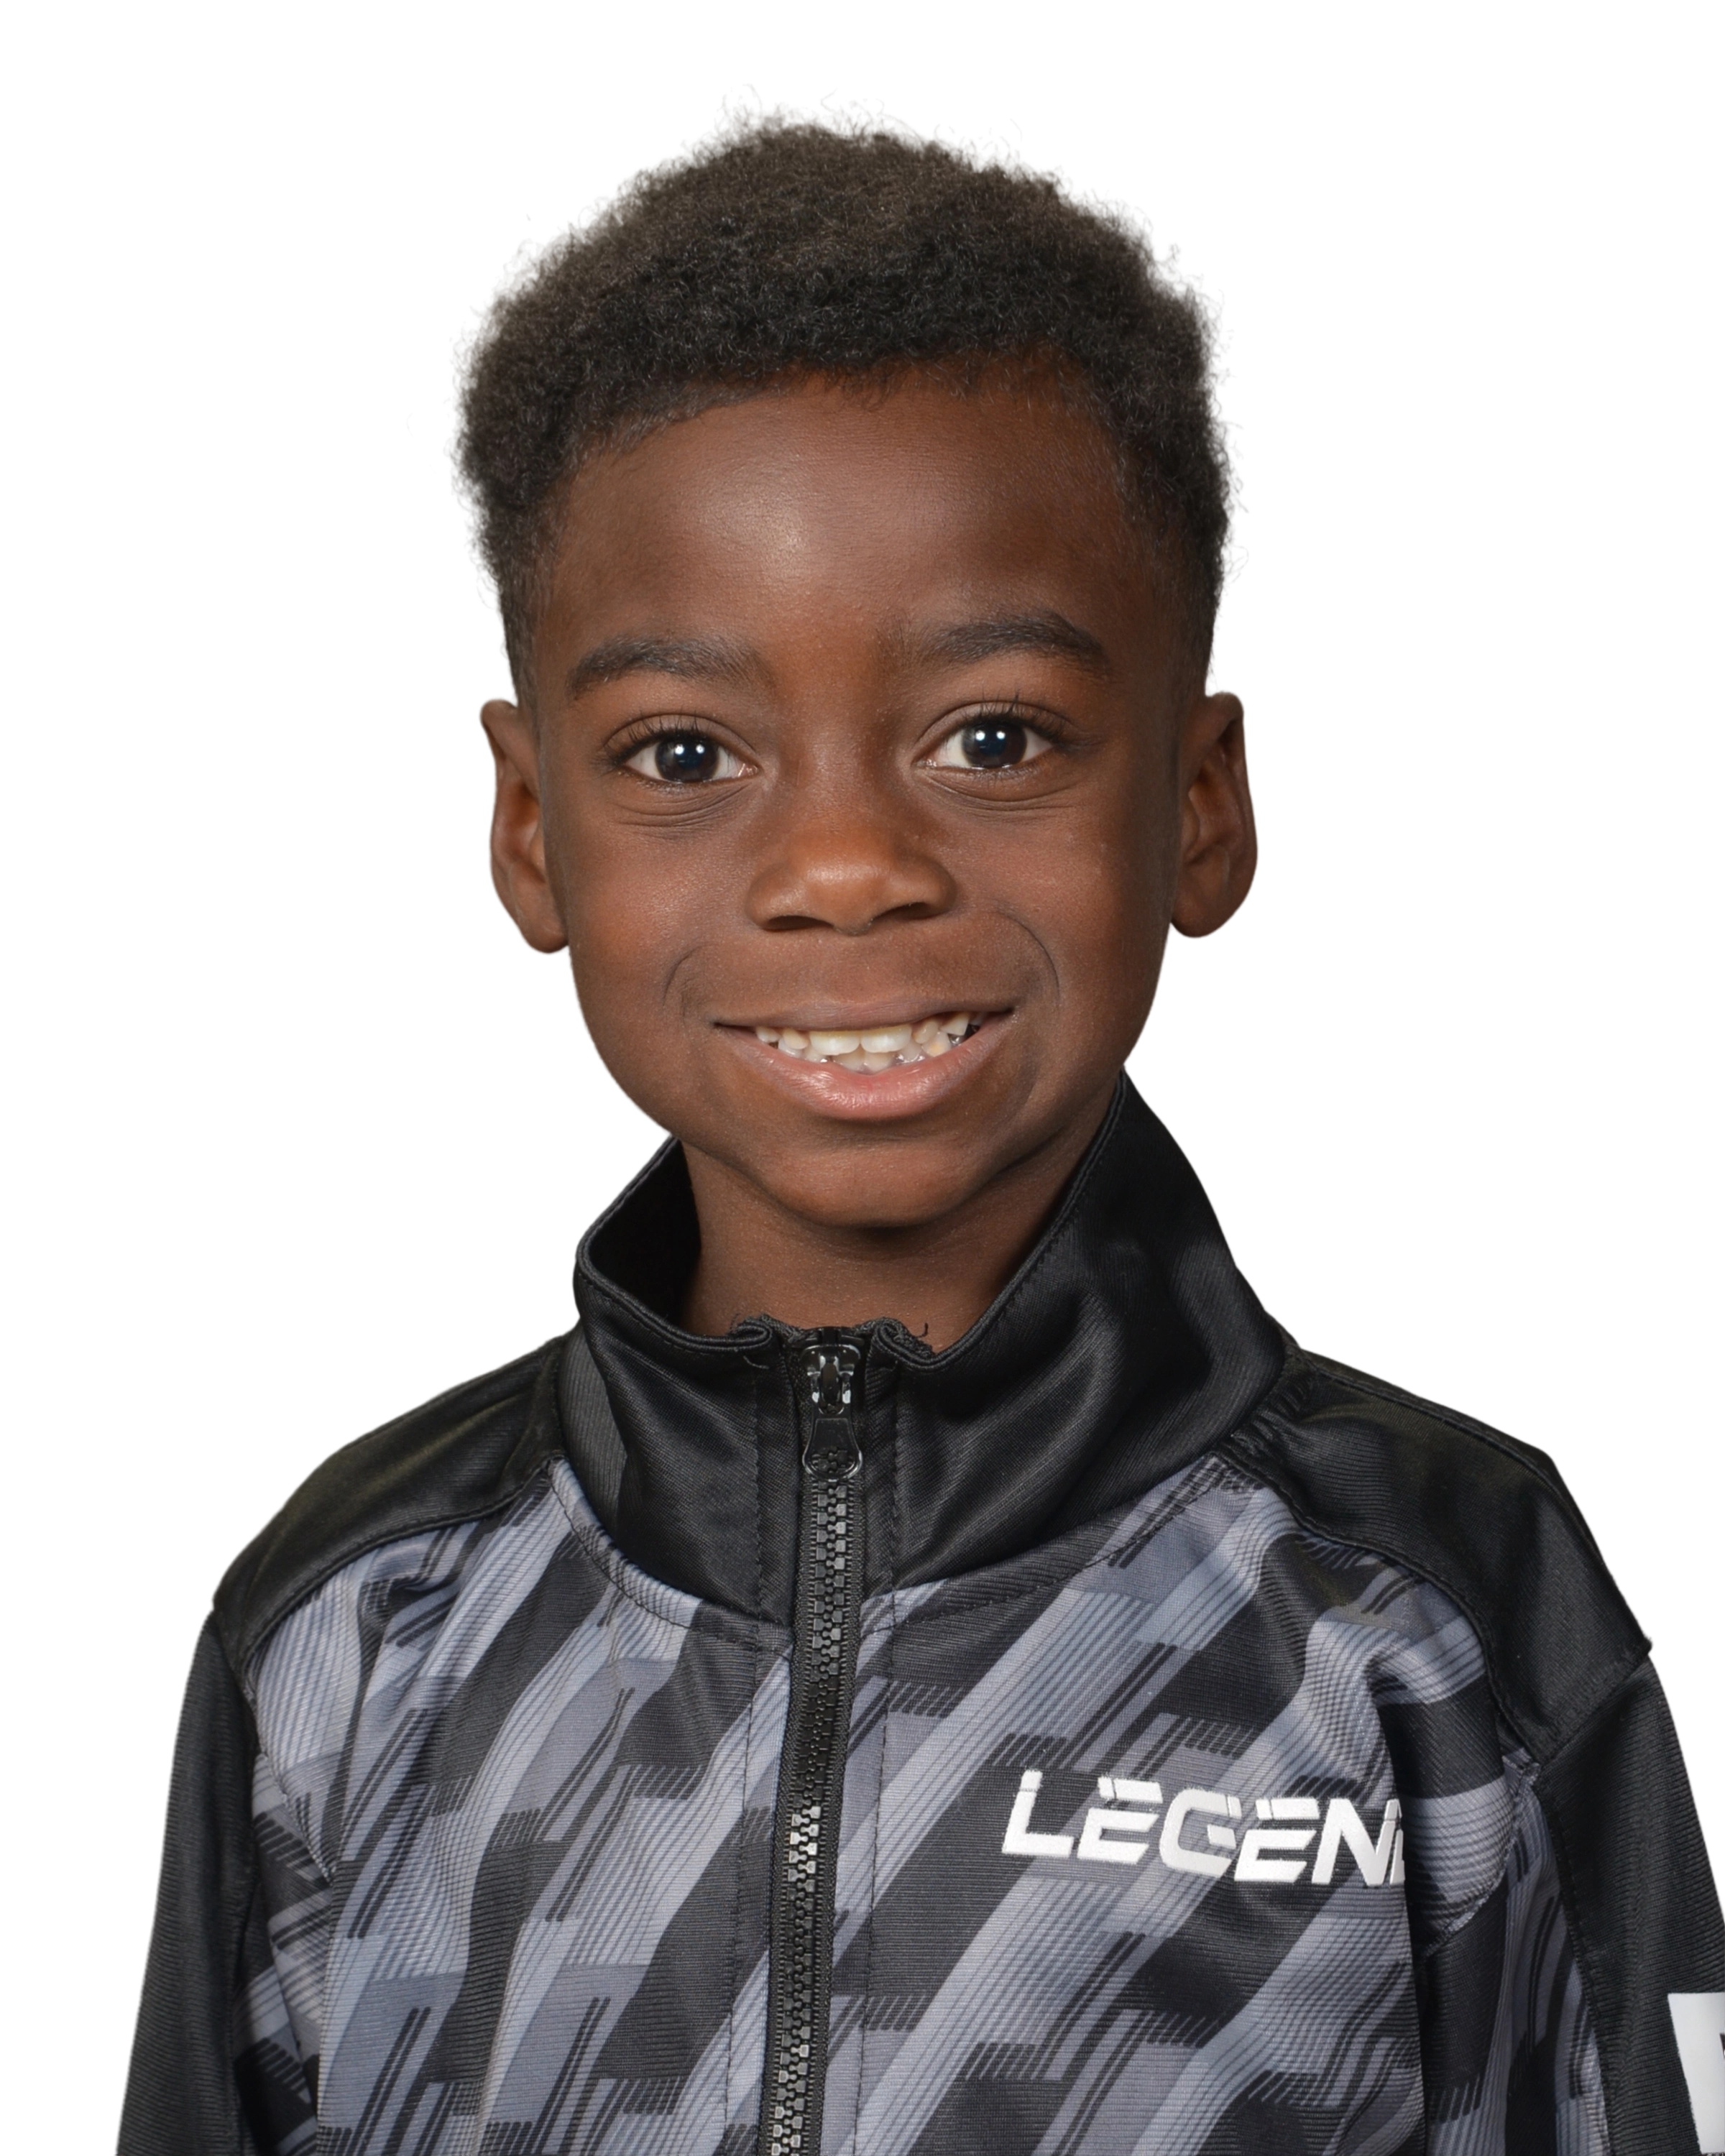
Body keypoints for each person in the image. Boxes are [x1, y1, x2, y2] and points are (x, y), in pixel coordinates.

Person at [114, 86, 1725, 2156]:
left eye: (995, 736)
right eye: (685, 754)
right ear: (527, 829)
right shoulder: (350, 1616)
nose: (846, 866)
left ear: (1203, 805)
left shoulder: (1442, 1602)